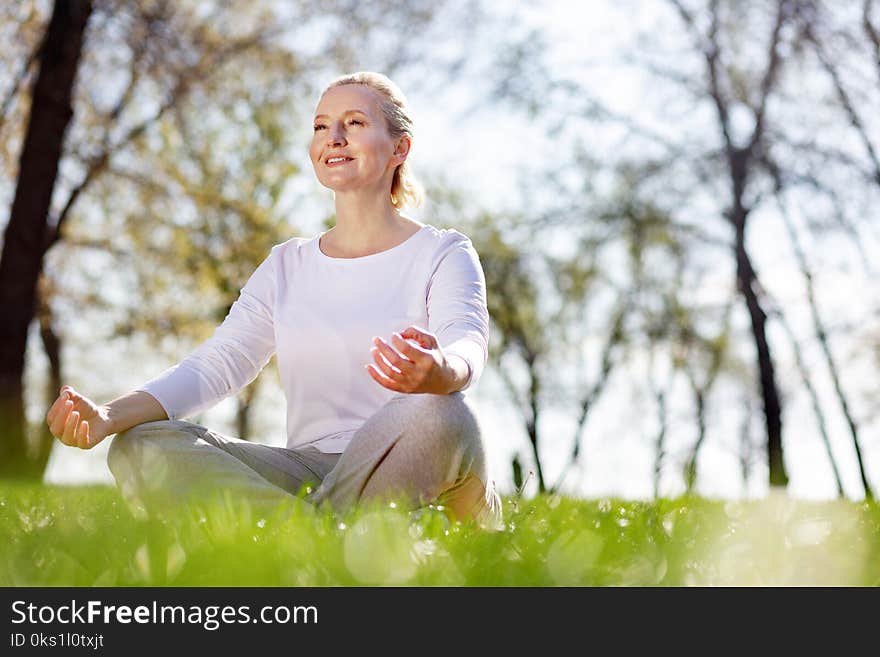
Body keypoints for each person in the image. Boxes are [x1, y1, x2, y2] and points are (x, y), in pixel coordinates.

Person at [45, 71, 502, 528]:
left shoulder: (442, 251)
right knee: (141, 444)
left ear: (399, 148)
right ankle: (322, 541)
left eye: (355, 123)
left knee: (444, 411)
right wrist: (108, 416)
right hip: (307, 474)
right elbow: (220, 363)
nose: (334, 138)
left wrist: (442, 370)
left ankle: (303, 541)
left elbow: (466, 341)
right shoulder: (287, 265)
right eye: (322, 126)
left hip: (405, 464)